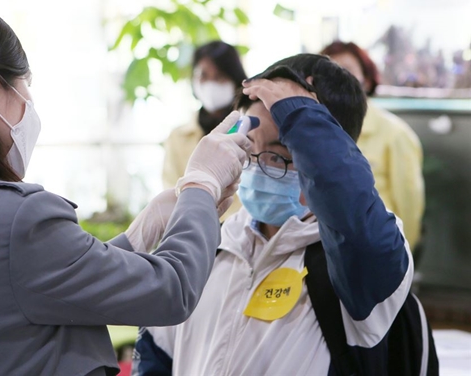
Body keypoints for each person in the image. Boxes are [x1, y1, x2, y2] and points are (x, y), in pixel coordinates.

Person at [0, 0, 250, 376]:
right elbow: (172, 289)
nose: (28, 103)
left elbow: (31, 288)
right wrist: (201, 185)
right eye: (24, 85)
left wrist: (140, 234)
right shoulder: (16, 219)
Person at [132, 54, 416, 375]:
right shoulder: (210, 244)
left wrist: (300, 114)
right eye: (249, 149)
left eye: (283, 156)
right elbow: (156, 350)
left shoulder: (358, 265)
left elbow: (354, 218)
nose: (259, 165)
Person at [320, 41, 425, 251]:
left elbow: (408, 203)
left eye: (345, 71)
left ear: (366, 81)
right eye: (326, 73)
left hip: (377, 252)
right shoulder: (312, 132)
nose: (334, 81)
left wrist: (401, 257)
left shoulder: (394, 134)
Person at [162, 41, 247, 220]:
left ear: (235, 79)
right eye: (203, 75)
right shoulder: (178, 137)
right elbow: (171, 192)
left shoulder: (251, 131)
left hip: (241, 233)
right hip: (192, 230)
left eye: (220, 77)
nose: (210, 84)